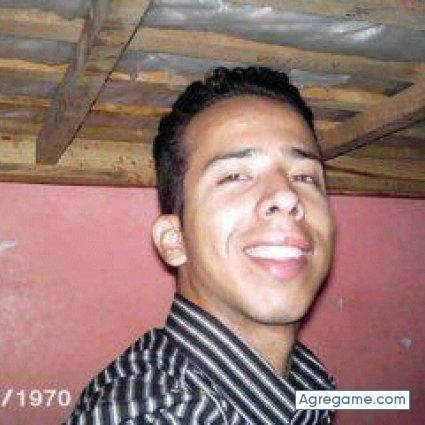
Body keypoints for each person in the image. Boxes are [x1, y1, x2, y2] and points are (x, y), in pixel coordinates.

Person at [64, 67, 335, 424]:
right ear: (175, 240)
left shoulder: (306, 377)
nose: (287, 196)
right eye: (235, 176)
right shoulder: (165, 413)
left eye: (304, 177)